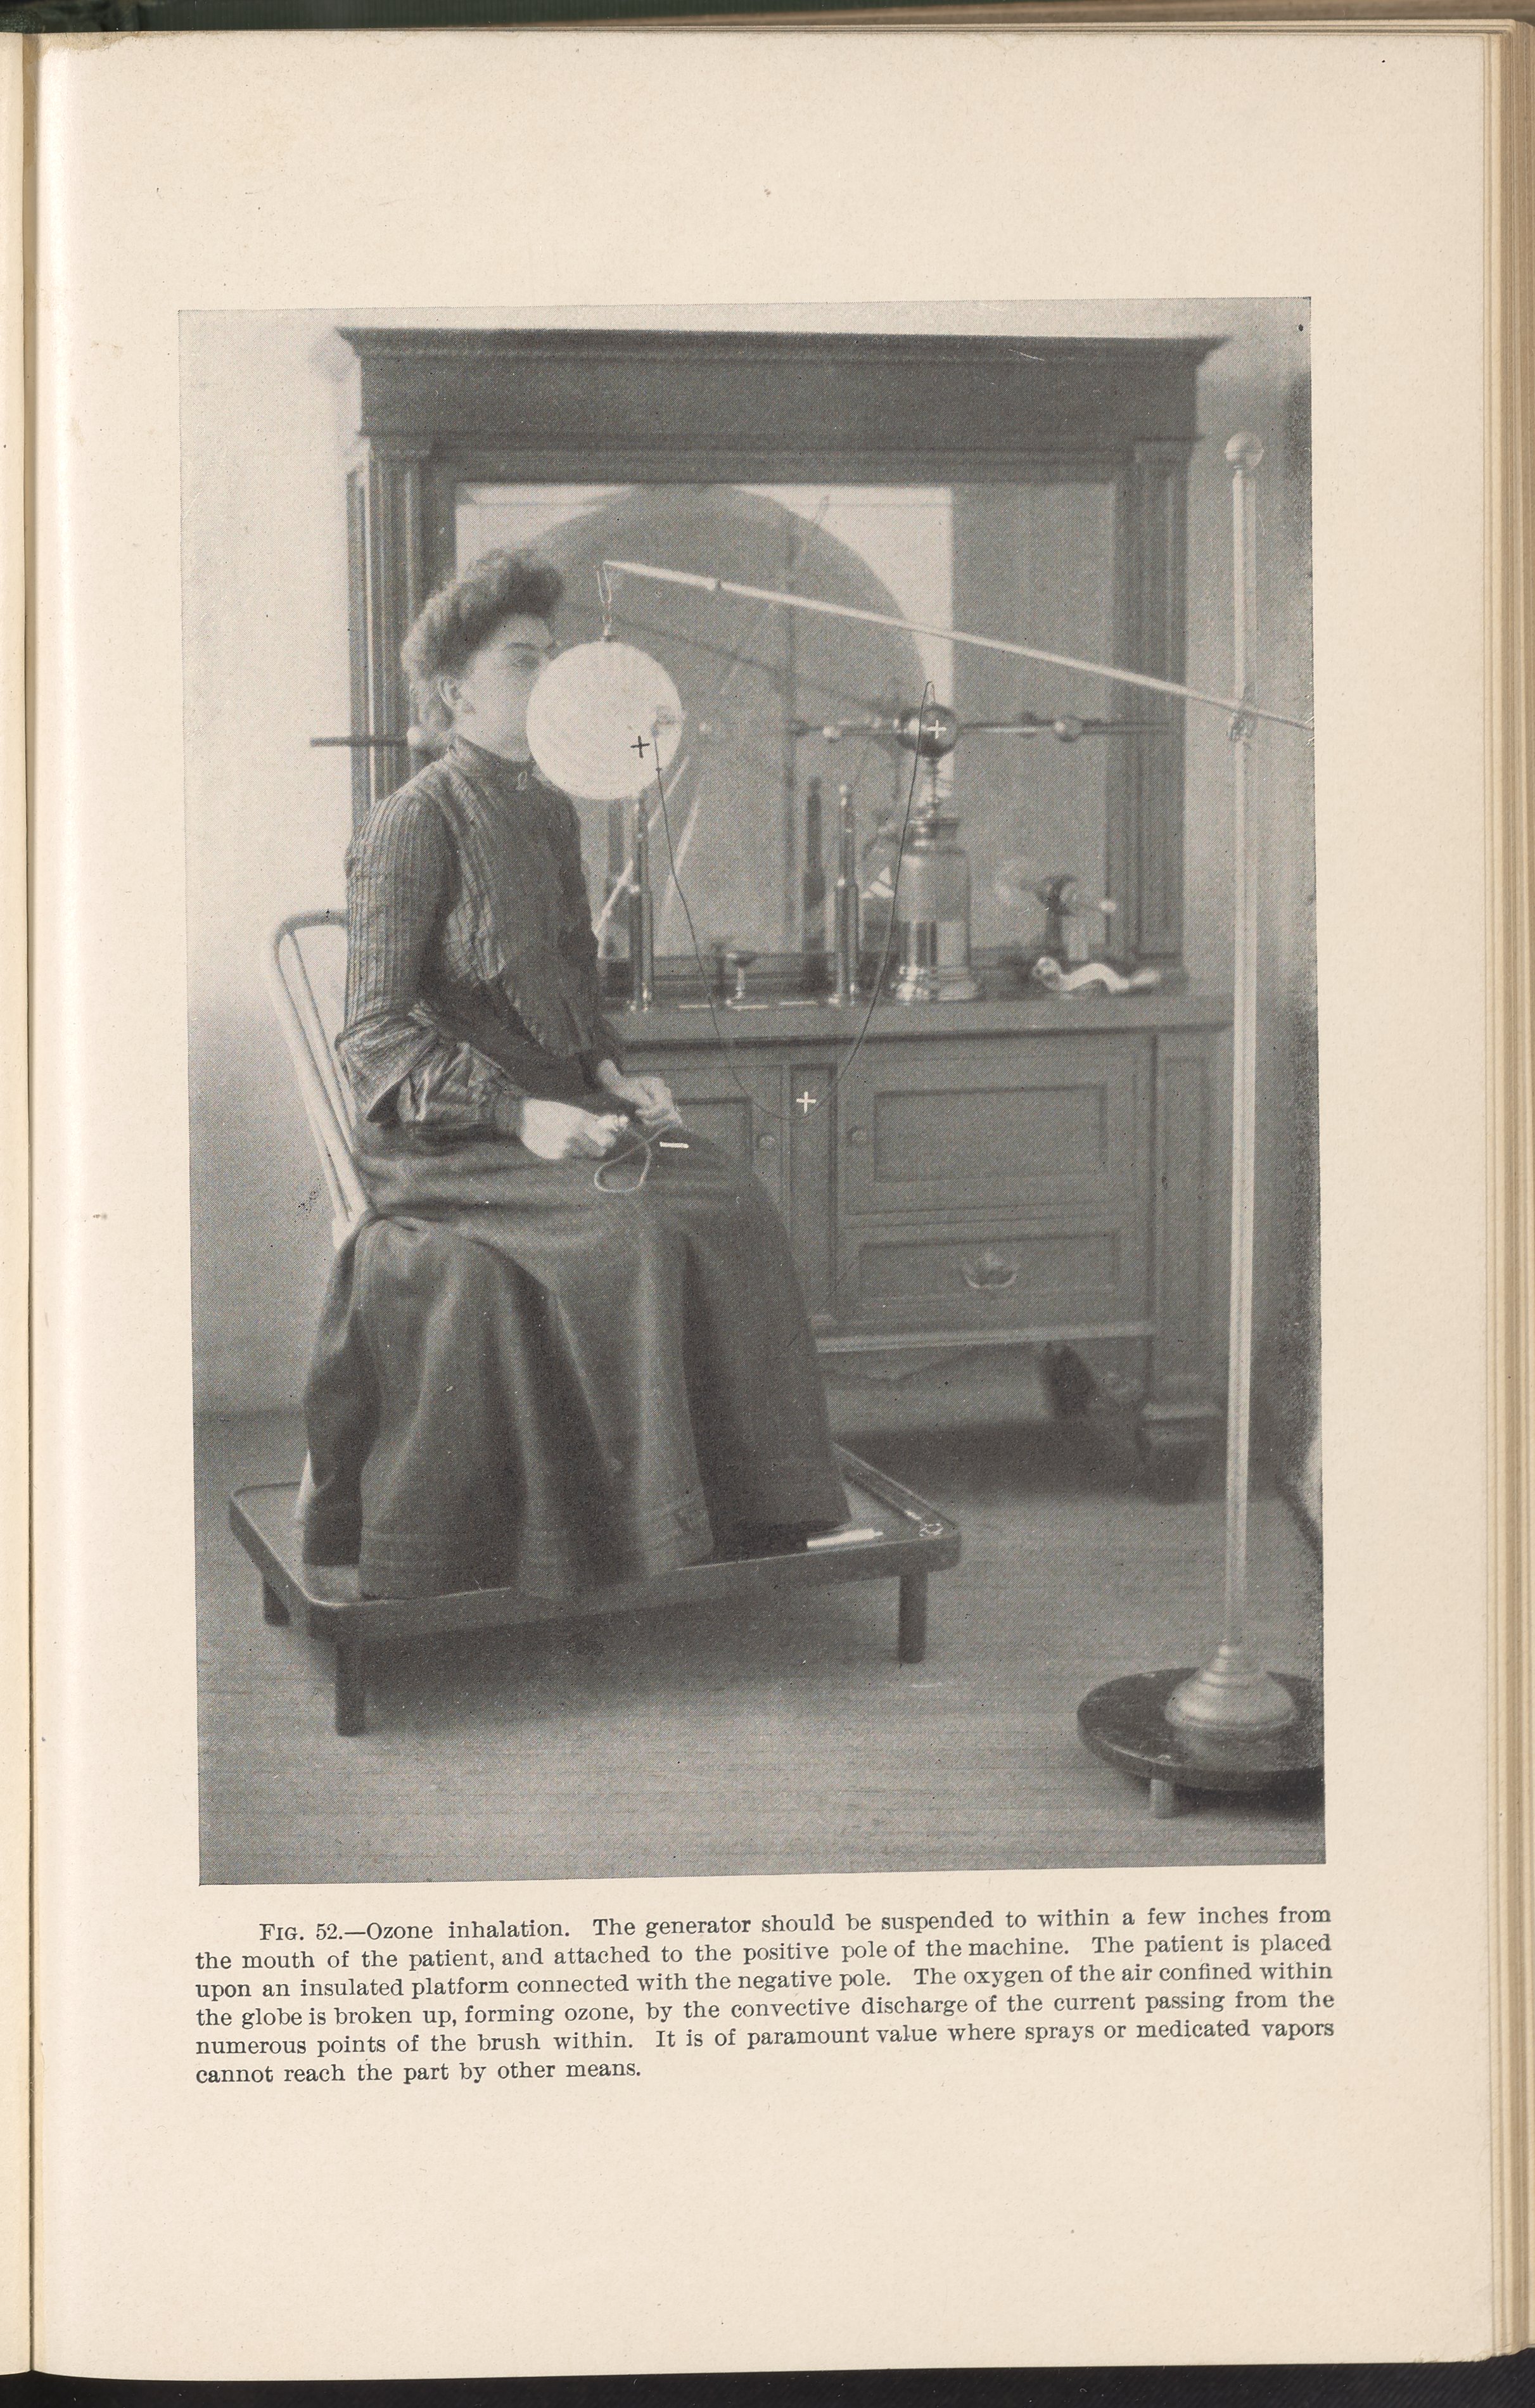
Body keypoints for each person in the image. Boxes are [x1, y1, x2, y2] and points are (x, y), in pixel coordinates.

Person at [302, 548, 848, 1600]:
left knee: (735, 1200)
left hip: (564, 1105)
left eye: (551, 656)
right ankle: (644, 1533)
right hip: (447, 1142)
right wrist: (519, 1114)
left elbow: (568, 968)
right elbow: (371, 1032)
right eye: (523, 660)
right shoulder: (414, 819)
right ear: (455, 694)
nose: (550, 676)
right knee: (633, 1230)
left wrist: (607, 1069)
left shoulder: (548, 810)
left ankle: (753, 1512)